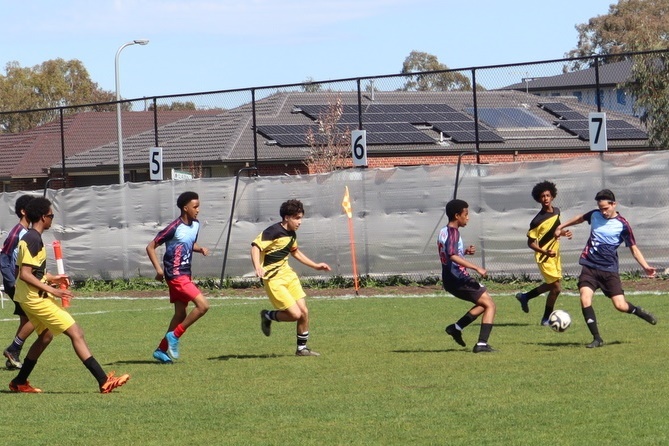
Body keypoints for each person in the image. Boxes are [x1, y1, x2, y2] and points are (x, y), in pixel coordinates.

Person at [9, 197, 130, 393]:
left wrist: (53, 278)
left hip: (29, 297)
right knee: (76, 333)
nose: (52, 219)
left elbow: (28, 272)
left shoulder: (31, 237)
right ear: (42, 217)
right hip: (35, 298)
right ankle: (103, 381)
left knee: (46, 336)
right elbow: (24, 274)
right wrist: (54, 290)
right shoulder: (32, 239)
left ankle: (19, 382)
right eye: (51, 215)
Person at [555, 189, 657, 348]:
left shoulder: (623, 225)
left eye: (606, 208)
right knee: (584, 298)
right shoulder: (594, 215)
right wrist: (561, 226)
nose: (603, 211)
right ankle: (597, 338)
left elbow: (634, 249)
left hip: (609, 270)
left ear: (614, 204)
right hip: (589, 266)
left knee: (620, 306)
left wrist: (645, 267)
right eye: (600, 208)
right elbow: (579, 218)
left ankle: (639, 312)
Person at [253, 199, 331, 356]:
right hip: (274, 279)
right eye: (296, 218)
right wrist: (257, 266)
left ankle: (302, 349)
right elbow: (255, 246)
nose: (299, 222)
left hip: (288, 275)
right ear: (286, 217)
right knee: (295, 314)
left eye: (301, 218)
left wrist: (315, 265)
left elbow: (295, 252)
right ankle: (267, 315)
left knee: (304, 312)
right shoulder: (272, 232)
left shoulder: (291, 234)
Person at [147, 191, 210, 363]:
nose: (198, 210)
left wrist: (200, 248)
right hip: (175, 275)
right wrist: (159, 270)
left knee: (180, 314)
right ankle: (174, 336)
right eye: (195, 207)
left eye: (198, 206)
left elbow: (188, 242)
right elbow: (151, 246)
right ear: (185, 208)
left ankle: (161, 350)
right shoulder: (173, 227)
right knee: (203, 306)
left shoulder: (196, 225)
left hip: (185, 274)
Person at [438, 199, 497, 353]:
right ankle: (481, 344)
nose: (468, 217)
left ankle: (456, 328)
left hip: (450, 279)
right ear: (457, 215)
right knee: (490, 305)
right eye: (466, 214)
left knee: (484, 304)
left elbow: (450, 252)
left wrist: (463, 252)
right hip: (458, 278)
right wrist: (477, 267)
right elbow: (451, 255)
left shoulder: (444, 231)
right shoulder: (453, 233)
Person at [515, 181, 572, 325]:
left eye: (547, 195)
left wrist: (564, 232)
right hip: (544, 257)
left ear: (552, 196)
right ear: (538, 199)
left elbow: (556, 230)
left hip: (555, 254)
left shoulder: (557, 211)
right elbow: (530, 243)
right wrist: (544, 251)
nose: (545, 198)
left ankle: (525, 297)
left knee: (552, 285)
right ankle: (546, 318)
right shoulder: (536, 221)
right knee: (557, 288)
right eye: (542, 196)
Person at [2, 195, 36, 369]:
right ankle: (12, 350)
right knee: (35, 317)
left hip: (20, 281)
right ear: (23, 211)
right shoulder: (17, 232)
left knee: (25, 320)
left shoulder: (26, 232)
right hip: (16, 283)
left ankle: (13, 356)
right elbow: (3, 258)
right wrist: (11, 282)